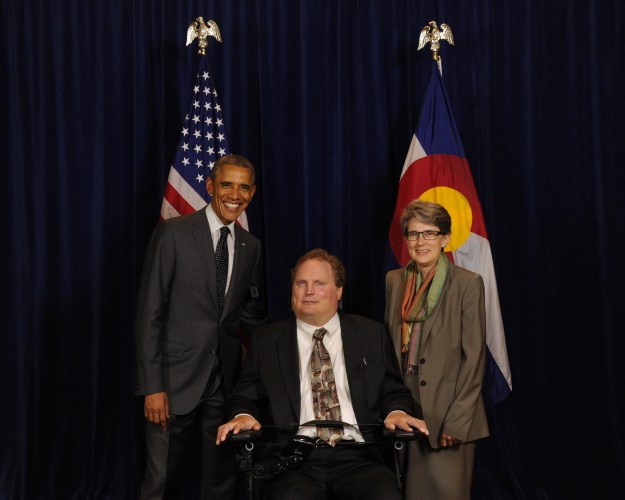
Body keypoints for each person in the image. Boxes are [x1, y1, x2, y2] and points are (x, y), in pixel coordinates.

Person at [217, 248, 429, 500]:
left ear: (338, 291)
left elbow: (392, 390)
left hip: (358, 456)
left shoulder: (371, 334)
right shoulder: (266, 340)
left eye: (319, 284)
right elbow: (245, 395)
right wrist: (243, 415)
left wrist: (397, 412)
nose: (308, 291)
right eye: (301, 283)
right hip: (292, 458)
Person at [134, 154, 268, 500]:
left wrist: (286, 350)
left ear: (251, 194)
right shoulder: (173, 233)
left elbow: (249, 317)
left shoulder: (250, 246)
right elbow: (150, 313)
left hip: (223, 384)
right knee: (159, 482)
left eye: (243, 187)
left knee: (219, 483)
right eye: (226, 184)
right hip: (172, 381)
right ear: (210, 186)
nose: (234, 194)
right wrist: (152, 387)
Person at [385, 199, 490, 499]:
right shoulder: (394, 280)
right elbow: (389, 348)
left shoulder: (467, 284)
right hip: (405, 407)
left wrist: (458, 419)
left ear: (445, 238)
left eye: (430, 233)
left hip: (448, 412)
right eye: (414, 234)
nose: (421, 242)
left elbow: (474, 359)